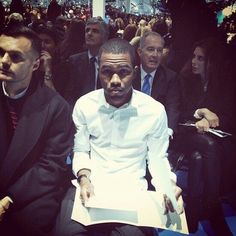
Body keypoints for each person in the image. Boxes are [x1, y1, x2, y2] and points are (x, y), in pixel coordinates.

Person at [54, 38, 182, 236]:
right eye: (107, 72)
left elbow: (157, 158)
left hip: (132, 192)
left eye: (124, 72)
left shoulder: (154, 111)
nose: (115, 80)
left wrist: (168, 186)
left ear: (135, 71)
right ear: (99, 69)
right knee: (66, 233)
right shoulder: (85, 105)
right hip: (91, 185)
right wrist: (84, 178)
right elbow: (81, 150)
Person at [0, 25, 74, 235]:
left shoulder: (56, 107)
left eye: (15, 57)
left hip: (30, 193)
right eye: (1, 52)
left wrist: (8, 199)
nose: (4, 61)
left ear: (35, 65)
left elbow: (51, 165)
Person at [173, 38, 235, 235]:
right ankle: (213, 208)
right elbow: (179, 113)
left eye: (200, 58)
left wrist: (211, 121)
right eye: (193, 56)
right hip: (184, 133)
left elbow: (226, 115)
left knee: (202, 155)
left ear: (211, 63)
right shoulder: (184, 79)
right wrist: (201, 112)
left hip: (209, 138)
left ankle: (194, 213)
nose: (194, 61)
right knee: (208, 146)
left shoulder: (222, 84)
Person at [134, 31, 180, 138]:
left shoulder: (170, 77)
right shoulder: (130, 74)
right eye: (150, 49)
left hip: (157, 132)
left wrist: (168, 132)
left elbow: (172, 107)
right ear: (139, 52)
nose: (155, 55)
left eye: (159, 50)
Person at [64, 17, 109, 107]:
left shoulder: (110, 62)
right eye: (87, 30)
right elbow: (69, 94)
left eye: (95, 31)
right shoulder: (74, 61)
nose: (89, 33)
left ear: (104, 37)